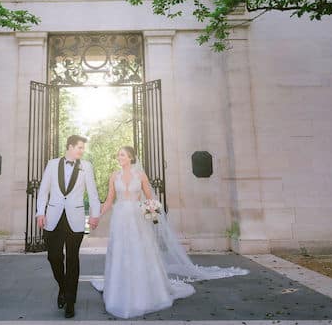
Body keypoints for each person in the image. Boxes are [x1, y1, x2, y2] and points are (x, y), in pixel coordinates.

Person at [90, 146, 250, 319]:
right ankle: (120, 290)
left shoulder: (140, 176)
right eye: (118, 155)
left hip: (137, 220)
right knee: (121, 253)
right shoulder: (115, 176)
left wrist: (156, 221)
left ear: (130, 157)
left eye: (122, 155)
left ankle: (144, 291)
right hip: (120, 219)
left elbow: (150, 199)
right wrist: (96, 216)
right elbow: (108, 200)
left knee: (140, 252)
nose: (119, 157)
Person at [36, 134, 101, 318]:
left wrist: (95, 215)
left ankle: (70, 301)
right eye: (80, 147)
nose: (82, 150)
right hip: (53, 217)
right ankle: (63, 288)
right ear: (70, 147)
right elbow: (43, 191)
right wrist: (40, 212)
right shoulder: (52, 164)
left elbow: (93, 192)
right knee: (53, 257)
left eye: (83, 148)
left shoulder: (86, 166)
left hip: (76, 218)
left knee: (73, 260)